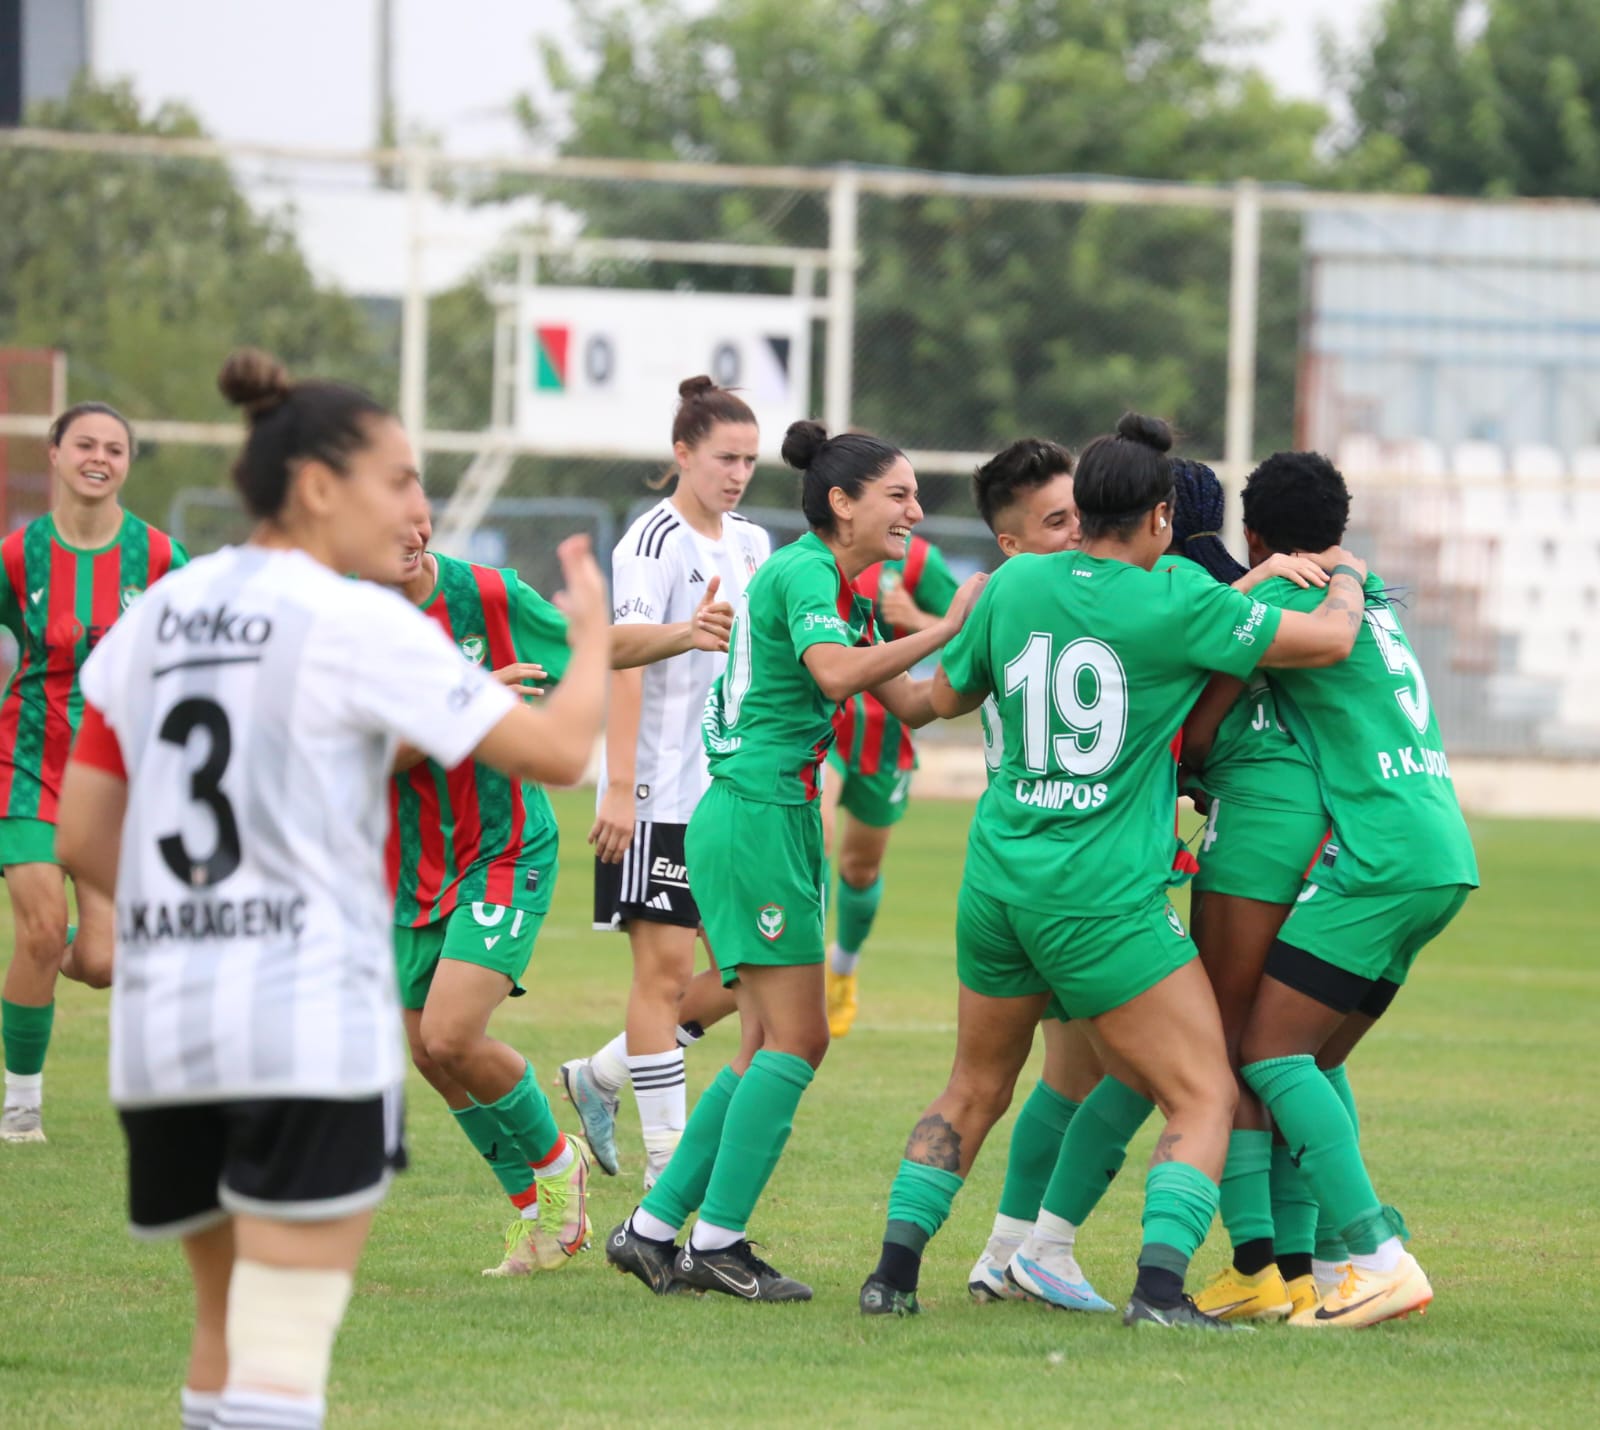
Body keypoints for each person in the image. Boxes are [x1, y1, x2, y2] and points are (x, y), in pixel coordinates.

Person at [54, 348, 608, 1430]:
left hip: (169, 1026)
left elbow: (82, 827)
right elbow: (551, 749)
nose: (414, 507)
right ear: (316, 486)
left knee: (219, 1334)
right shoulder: (356, 621)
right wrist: (590, 638)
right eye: (395, 479)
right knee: (283, 1352)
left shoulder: (164, 608)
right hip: (302, 1014)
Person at [858, 412, 1369, 1328]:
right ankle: (1160, 1292)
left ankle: (892, 1277)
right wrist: (1349, 578)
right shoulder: (1173, 597)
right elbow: (1328, 643)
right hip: (1099, 901)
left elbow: (935, 702)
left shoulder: (1015, 585)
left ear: (1080, 509)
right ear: (1163, 517)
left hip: (997, 884)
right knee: (1205, 1089)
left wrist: (888, 651)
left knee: (972, 1086)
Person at [606, 420, 986, 1302]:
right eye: (899, 495)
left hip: (767, 817)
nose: (916, 511)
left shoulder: (842, 586)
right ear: (842, 503)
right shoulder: (809, 570)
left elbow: (919, 707)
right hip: (754, 817)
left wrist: (994, 643)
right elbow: (834, 676)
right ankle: (717, 1242)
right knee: (799, 1037)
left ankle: (656, 1230)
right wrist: (944, 625)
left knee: (762, 1042)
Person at [976, 458, 1337, 1315]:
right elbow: (1222, 659)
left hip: (1038, 869)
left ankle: (1013, 1251)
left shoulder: (1029, 593)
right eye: (1056, 524)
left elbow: (942, 692)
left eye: (1078, 519)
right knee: (1191, 1071)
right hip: (1095, 883)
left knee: (1083, 1075)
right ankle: (1257, 1260)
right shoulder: (1138, 592)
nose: (1075, 542)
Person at [1235, 450, 1478, 1329]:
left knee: (1267, 1055)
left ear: (1256, 534)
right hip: (1439, 850)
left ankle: (1379, 1255)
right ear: (1337, 531)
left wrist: (1254, 582)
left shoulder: (1284, 601)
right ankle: (1339, 1262)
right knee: (1318, 1057)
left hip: (1379, 858)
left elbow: (1201, 668)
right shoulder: (1367, 601)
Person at [563, 375, 768, 1189]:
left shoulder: (753, 544)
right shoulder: (650, 541)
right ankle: (664, 1171)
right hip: (657, 793)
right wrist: (617, 786)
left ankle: (602, 1076)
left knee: (756, 967)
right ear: (683, 454)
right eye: (725, 457)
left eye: (750, 460)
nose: (739, 473)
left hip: (732, 791)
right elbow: (619, 653)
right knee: (665, 978)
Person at [386, 496, 593, 1279]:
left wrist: (684, 634)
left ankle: (557, 1165)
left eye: (420, 518)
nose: (410, 535)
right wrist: (468, 698)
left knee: (450, 1036)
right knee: (430, 1055)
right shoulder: (349, 623)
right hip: (409, 865)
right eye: (390, 523)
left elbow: (589, 651)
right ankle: (536, 1217)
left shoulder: (488, 593)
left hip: (506, 846)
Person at [0, 402, 187, 1144]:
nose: (99, 456)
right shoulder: (17, 557)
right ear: (54, 453)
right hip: (26, 764)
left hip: (114, 781)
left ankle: (31, 973)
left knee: (103, 961)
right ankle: (21, 1108)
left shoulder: (163, 558)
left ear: (126, 464)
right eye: (84, 443)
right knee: (44, 931)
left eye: (114, 447)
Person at [821, 531, 960, 1038]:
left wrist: (917, 617)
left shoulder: (921, 560)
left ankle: (842, 967)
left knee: (859, 868)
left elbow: (967, 632)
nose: (908, 508)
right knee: (817, 837)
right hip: (826, 721)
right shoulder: (817, 554)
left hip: (888, 731)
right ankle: (791, 973)